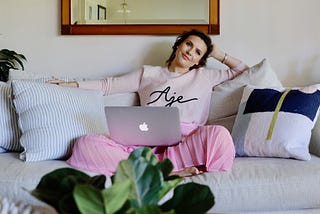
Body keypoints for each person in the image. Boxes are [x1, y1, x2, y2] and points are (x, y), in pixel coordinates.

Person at [49, 29, 249, 177]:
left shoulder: (205, 77)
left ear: (199, 60)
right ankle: (160, 172)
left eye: (198, 52)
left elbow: (244, 71)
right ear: (179, 44)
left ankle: (159, 170)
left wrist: (217, 54)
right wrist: (70, 84)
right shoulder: (149, 74)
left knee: (220, 135)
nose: (190, 52)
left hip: (186, 144)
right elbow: (107, 85)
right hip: (143, 147)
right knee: (86, 143)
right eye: (189, 44)